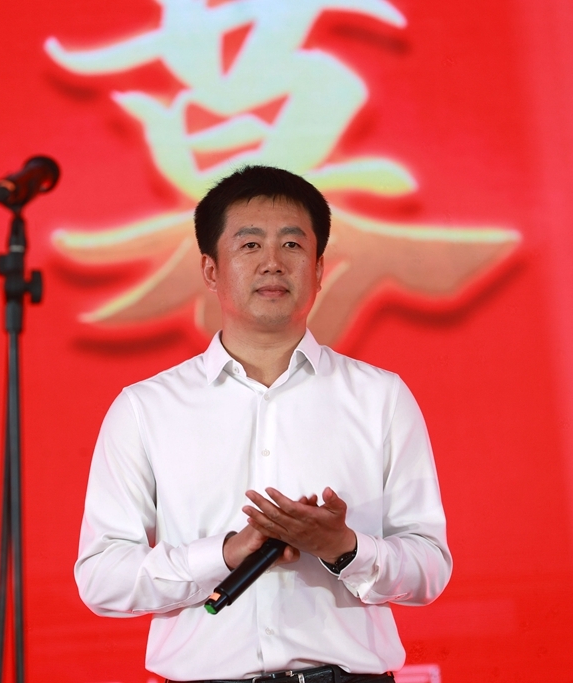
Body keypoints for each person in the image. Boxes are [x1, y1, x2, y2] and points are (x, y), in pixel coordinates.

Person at [76, 165, 451, 683]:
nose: (273, 262)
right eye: (250, 245)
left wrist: (344, 547)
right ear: (211, 270)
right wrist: (224, 554)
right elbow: (102, 579)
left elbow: (429, 569)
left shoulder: (380, 397)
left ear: (319, 269)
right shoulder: (146, 407)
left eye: (292, 245)